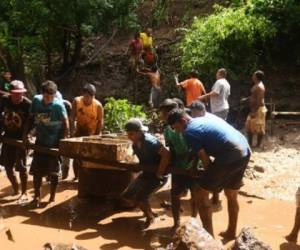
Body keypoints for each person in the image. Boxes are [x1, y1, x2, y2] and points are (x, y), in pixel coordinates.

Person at [168, 109, 251, 239]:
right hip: (244, 149)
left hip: (230, 153)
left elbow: (205, 159)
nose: (177, 131)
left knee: (200, 192)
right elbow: (199, 148)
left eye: (177, 128)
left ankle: (209, 239)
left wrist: (209, 179)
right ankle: (231, 231)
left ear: (183, 121)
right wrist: (196, 168)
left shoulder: (189, 132)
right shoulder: (201, 119)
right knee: (231, 193)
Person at [122, 118, 170, 228]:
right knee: (127, 196)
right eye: (128, 134)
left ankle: (150, 218)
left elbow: (166, 154)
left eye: (131, 134)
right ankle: (149, 210)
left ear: (139, 132)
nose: (129, 137)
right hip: (146, 174)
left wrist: (160, 172)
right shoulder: (135, 144)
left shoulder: (150, 142)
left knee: (140, 198)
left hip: (158, 176)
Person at [28, 80, 69, 206]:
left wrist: (62, 142)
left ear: (55, 95)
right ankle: (36, 196)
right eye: (46, 97)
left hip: (54, 141)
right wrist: (26, 135)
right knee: (37, 171)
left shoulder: (58, 105)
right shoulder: (36, 101)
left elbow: (66, 124)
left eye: (51, 97)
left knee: (54, 171)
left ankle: (52, 197)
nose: (48, 99)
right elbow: (30, 118)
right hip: (40, 140)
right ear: (42, 94)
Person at [159, 99, 198, 230]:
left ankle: (194, 219)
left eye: (164, 114)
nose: (161, 116)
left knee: (195, 194)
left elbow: (198, 148)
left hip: (194, 163)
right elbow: (171, 148)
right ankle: (176, 223)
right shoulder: (167, 130)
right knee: (174, 194)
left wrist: (192, 164)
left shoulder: (189, 126)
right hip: (178, 165)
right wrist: (170, 165)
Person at [0, 80, 31, 202]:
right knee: (7, 167)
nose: (19, 96)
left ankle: (24, 192)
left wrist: (27, 135)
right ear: (11, 93)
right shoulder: (4, 100)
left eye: (21, 93)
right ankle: (16, 189)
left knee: (22, 166)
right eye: (16, 94)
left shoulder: (28, 105)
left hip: (21, 138)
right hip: (7, 136)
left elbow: (33, 122)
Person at [190, 100, 222, 211]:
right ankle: (214, 196)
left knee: (213, 171)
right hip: (213, 142)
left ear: (202, 111)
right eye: (192, 115)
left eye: (195, 114)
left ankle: (215, 198)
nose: (194, 117)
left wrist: (194, 164)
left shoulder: (207, 120)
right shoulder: (200, 118)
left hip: (219, 144)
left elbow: (200, 146)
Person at [70, 84, 104, 180]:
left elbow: (100, 121)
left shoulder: (98, 106)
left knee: (89, 156)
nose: (87, 99)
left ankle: (88, 177)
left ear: (93, 96)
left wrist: (96, 137)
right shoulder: (77, 101)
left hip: (92, 132)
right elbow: (72, 117)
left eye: (89, 97)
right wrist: (72, 132)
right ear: (83, 95)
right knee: (76, 155)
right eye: (85, 96)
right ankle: (76, 176)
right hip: (79, 130)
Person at [245, 70, 267, 148]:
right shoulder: (256, 85)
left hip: (258, 109)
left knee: (259, 127)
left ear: (257, 77)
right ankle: (250, 144)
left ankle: (258, 144)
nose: (252, 77)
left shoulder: (260, 87)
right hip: (254, 108)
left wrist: (254, 111)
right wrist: (247, 99)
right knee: (249, 126)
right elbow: (254, 96)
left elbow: (259, 100)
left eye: (253, 75)